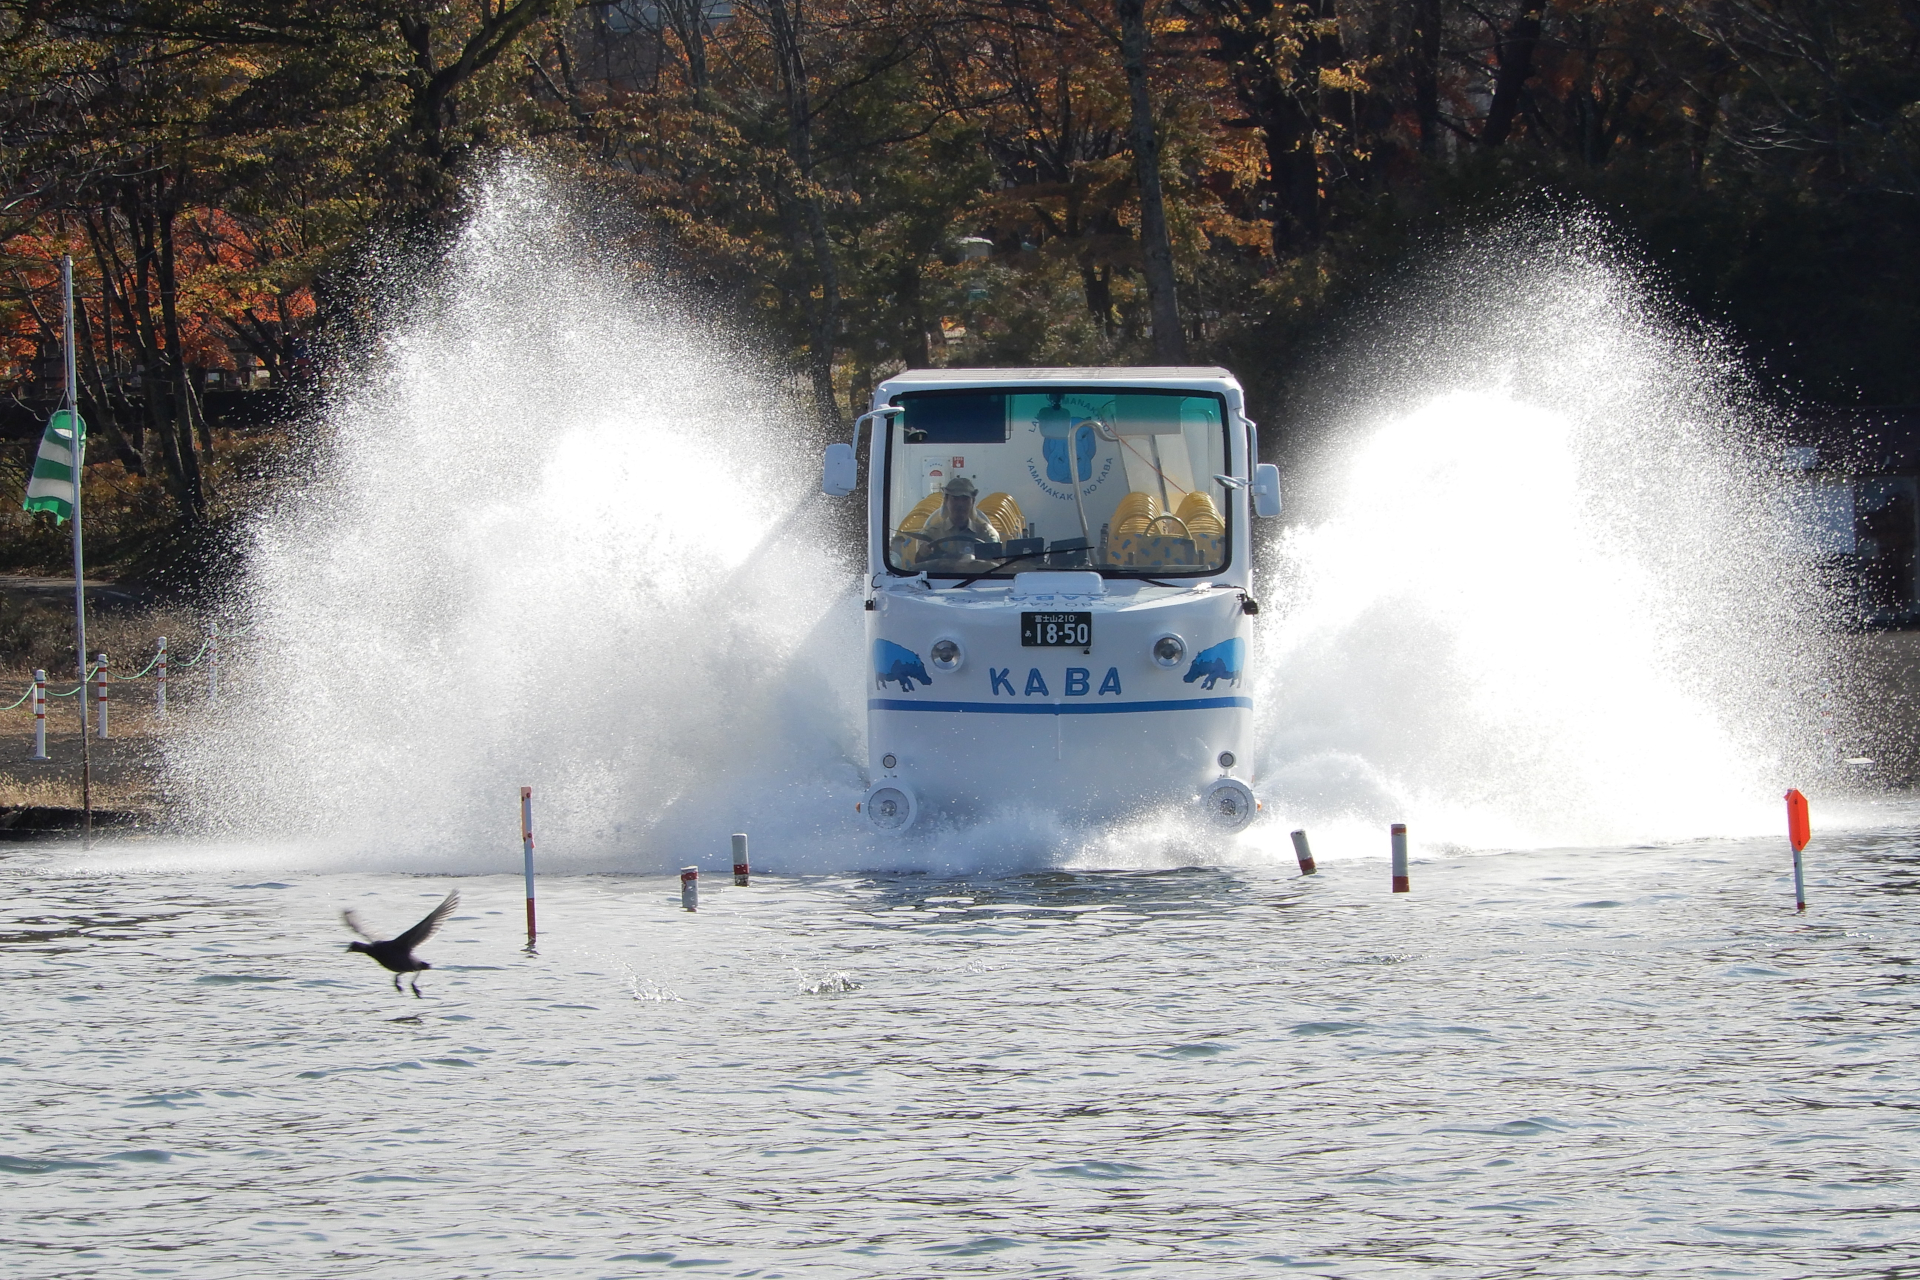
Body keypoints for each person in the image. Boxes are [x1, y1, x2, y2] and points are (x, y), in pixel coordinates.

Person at [911, 475, 997, 564]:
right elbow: (920, 566)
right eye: (955, 499)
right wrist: (923, 552)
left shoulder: (985, 533)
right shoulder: (931, 534)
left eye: (965, 499)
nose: (960, 504)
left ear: (973, 502)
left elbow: (994, 566)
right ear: (946, 500)